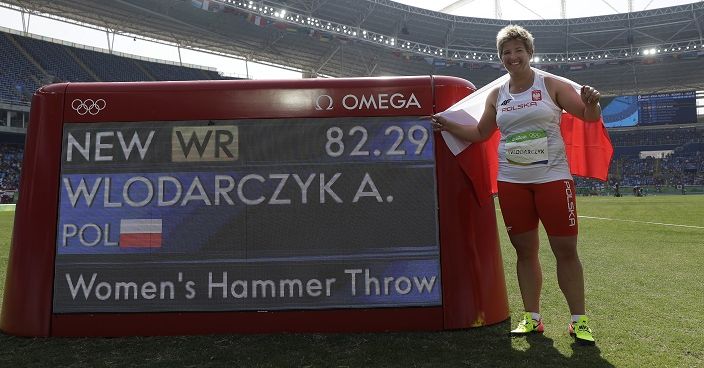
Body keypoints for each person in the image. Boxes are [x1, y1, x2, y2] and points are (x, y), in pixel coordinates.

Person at [431, 25, 599, 345]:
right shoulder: (498, 94)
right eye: (506, 52)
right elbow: (481, 133)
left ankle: (579, 321)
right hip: (512, 182)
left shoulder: (550, 84)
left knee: (565, 251)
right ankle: (532, 318)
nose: (512, 56)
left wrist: (591, 103)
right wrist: (446, 122)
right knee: (525, 251)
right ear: (501, 58)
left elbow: (588, 116)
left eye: (518, 50)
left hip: (552, 179)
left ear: (529, 52)